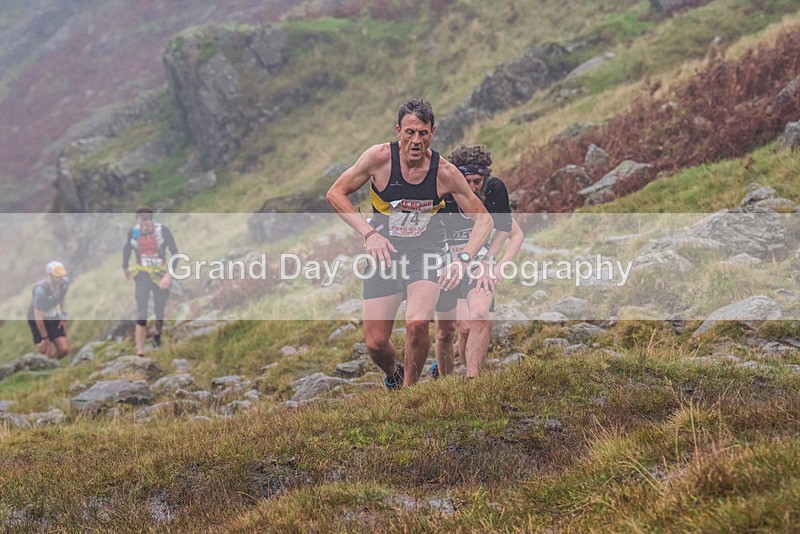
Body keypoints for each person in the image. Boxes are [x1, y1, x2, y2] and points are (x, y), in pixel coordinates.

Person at [326, 98, 493, 388]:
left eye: (423, 133)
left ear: (433, 133)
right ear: (398, 131)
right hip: (385, 255)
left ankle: (409, 393)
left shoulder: (445, 173)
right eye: (410, 132)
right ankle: (394, 374)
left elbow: (485, 219)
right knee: (376, 344)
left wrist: (464, 258)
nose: (416, 140)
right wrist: (369, 233)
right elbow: (335, 194)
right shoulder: (378, 159)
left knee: (417, 323)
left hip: (425, 253)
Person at [432, 144, 525, 379]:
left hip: (476, 264)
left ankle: (473, 380)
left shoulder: (493, 192)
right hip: (445, 265)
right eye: (467, 181)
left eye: (477, 181)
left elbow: (509, 231)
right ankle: (445, 381)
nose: (472, 187)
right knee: (447, 332)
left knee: (478, 317)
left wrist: (492, 263)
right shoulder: (442, 194)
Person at [122, 207, 178, 357]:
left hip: (160, 274)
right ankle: (140, 351)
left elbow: (175, 254)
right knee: (142, 311)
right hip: (142, 274)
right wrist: (125, 266)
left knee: (159, 309)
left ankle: (158, 335)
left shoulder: (162, 231)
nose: (143, 227)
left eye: (146, 224)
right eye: (141, 224)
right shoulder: (134, 233)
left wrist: (168, 276)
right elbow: (127, 248)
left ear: (151, 220)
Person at [28, 261, 70, 359]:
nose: (61, 279)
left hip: (52, 316)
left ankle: (52, 364)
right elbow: (37, 315)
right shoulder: (40, 291)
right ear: (50, 275)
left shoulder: (64, 282)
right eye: (58, 276)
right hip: (37, 319)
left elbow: (62, 298)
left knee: (64, 349)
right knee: (45, 352)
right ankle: (44, 366)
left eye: (62, 276)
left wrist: (64, 316)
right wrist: (44, 337)